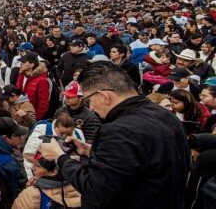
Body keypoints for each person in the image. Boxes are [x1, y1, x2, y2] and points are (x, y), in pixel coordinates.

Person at [39, 61, 189, 208]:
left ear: (104, 96)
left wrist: (59, 156)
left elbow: (97, 190)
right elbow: (140, 161)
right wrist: (90, 150)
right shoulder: (165, 115)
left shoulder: (117, 130)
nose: (90, 108)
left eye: (89, 100)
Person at [23, 113, 85, 179]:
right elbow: (28, 156)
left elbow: (81, 161)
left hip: (67, 174)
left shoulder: (78, 134)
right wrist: (31, 178)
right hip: (44, 174)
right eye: (62, 133)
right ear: (55, 127)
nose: (65, 137)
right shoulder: (42, 129)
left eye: (69, 134)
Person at [12, 153, 81, 209]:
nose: (33, 168)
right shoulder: (82, 186)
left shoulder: (31, 194)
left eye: (38, 166)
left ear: (54, 171)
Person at [15, 52, 50, 120]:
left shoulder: (42, 80)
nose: (21, 64)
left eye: (24, 62)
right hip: (19, 114)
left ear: (31, 65)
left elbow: (43, 104)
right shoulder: (21, 76)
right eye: (21, 62)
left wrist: (34, 118)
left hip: (32, 117)